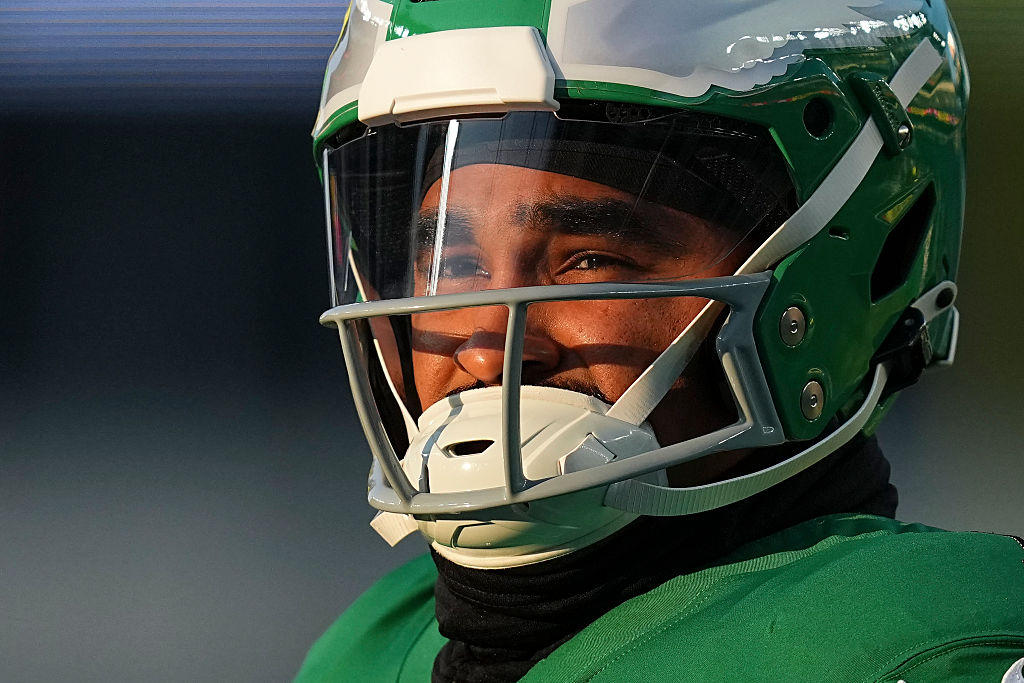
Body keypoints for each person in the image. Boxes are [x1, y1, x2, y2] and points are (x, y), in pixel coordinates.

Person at [296, 0, 1024, 680]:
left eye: (589, 262)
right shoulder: (376, 640)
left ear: (837, 277)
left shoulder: (932, 641)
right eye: (455, 266)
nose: (487, 349)